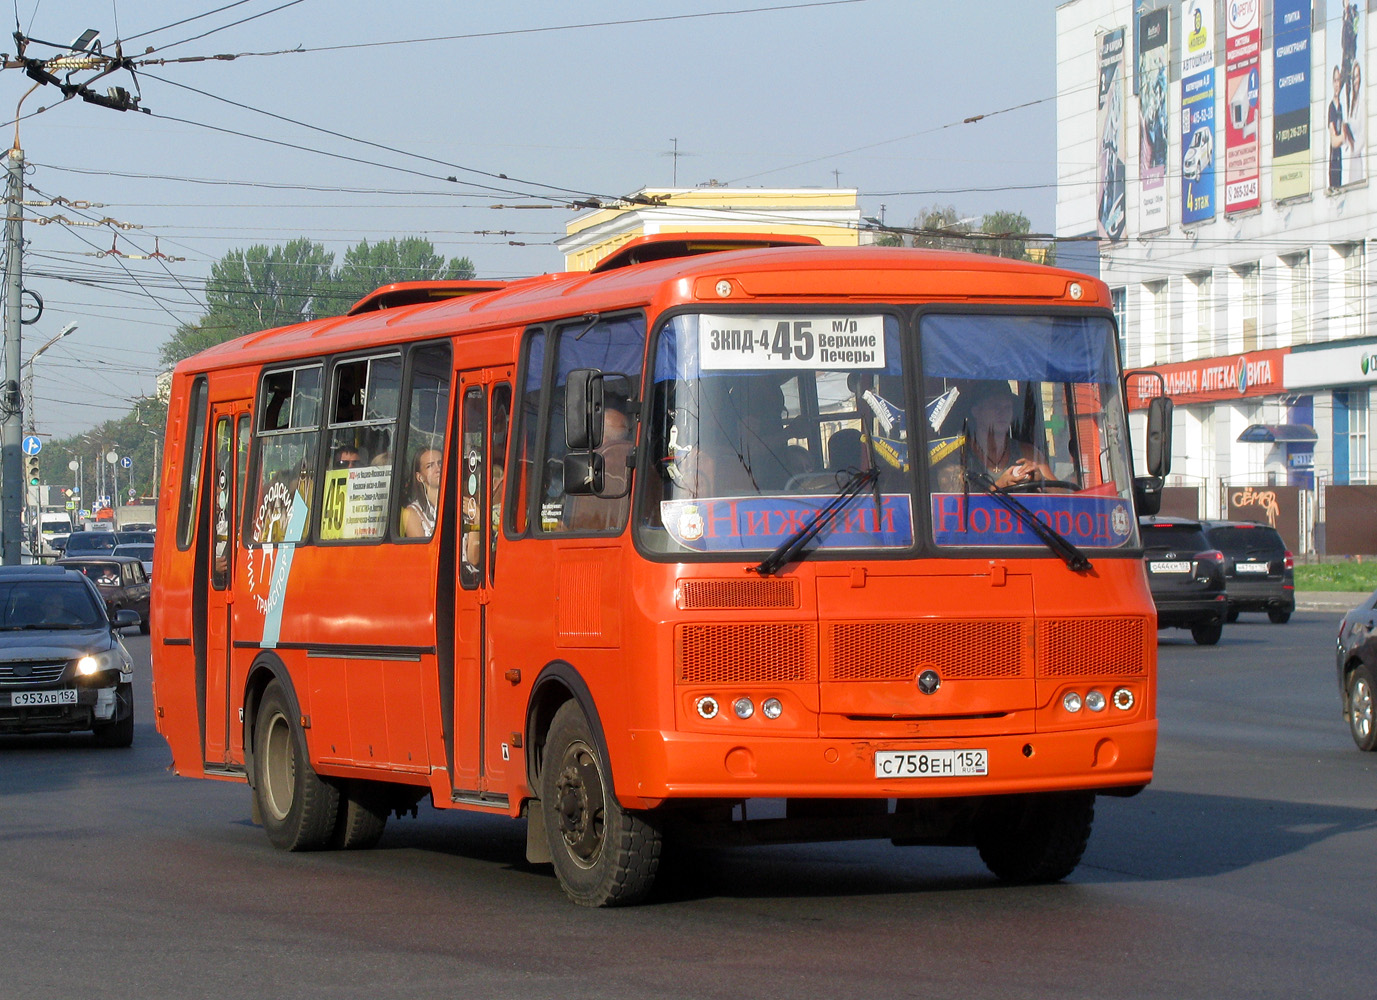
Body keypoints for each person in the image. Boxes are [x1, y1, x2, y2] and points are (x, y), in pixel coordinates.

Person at [937, 381, 1054, 491]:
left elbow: (1064, 494)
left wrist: (1042, 481)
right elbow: (954, 508)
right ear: (976, 411)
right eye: (995, 407)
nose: (1003, 413)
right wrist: (1000, 486)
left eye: (1007, 407)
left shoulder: (1029, 453)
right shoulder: (957, 457)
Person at [401, 448, 441, 538]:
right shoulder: (412, 513)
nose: (438, 469)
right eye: (430, 466)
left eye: (440, 463)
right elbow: (421, 551)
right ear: (419, 477)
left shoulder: (463, 505)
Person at [1330, 65, 1346, 190]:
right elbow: (1334, 141)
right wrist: (1345, 135)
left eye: (1338, 80)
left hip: (1340, 158)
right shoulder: (1332, 107)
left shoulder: (1341, 106)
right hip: (1333, 160)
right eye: (1335, 80)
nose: (1337, 84)